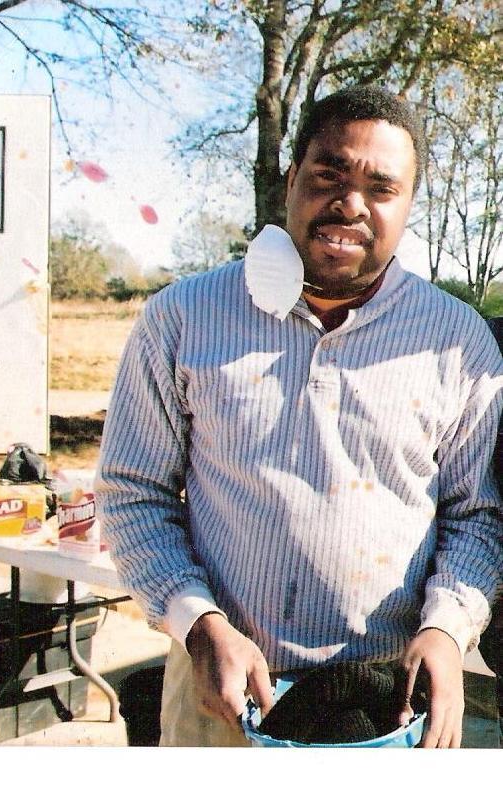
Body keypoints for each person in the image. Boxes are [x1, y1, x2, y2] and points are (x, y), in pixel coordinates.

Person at [95, 85, 503, 748]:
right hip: (219, 696)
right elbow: (132, 493)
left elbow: (475, 516)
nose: (350, 204)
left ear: (408, 205)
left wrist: (446, 630)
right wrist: (198, 623)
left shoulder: (457, 341)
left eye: (381, 188)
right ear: (291, 180)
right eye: (329, 176)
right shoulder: (182, 317)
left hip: (391, 708)